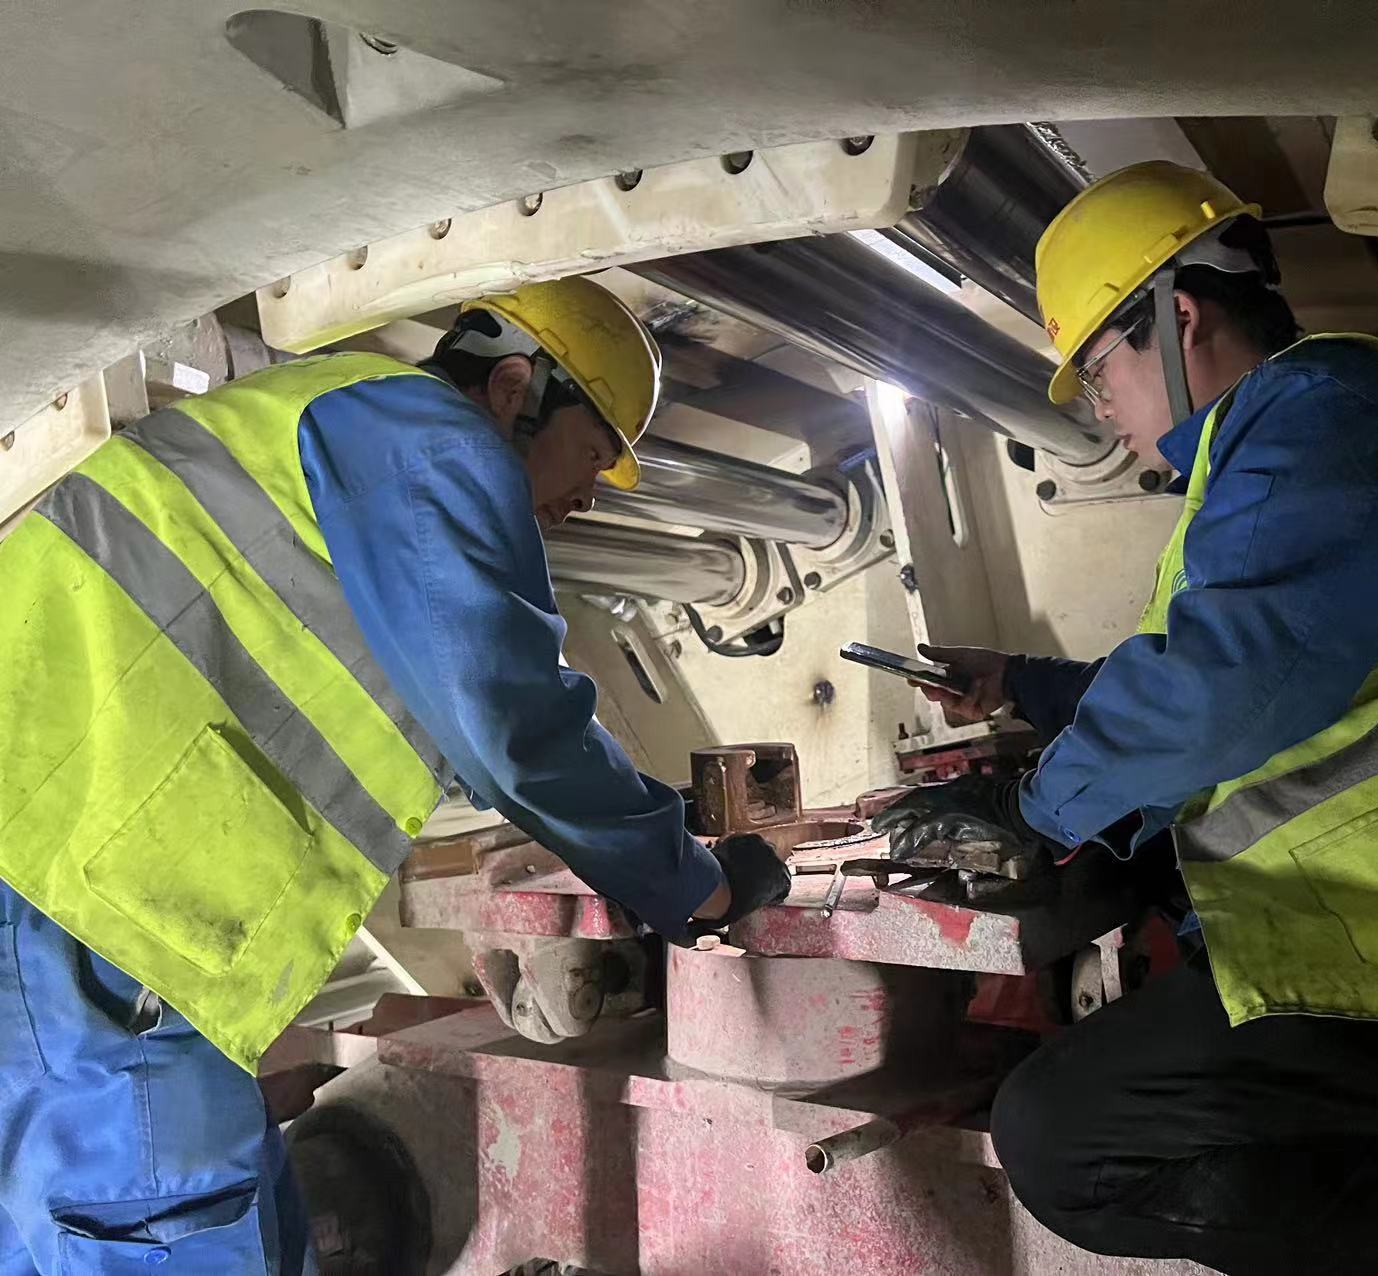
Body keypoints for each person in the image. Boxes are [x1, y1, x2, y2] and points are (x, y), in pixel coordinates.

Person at [874, 162, 1378, 1274]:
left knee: (1066, 1141)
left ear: (1177, 318)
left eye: (1098, 371)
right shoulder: (1265, 462)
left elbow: (1237, 679)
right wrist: (1017, 683)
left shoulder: (1331, 400)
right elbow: (1205, 670)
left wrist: (1034, 809)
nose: (1100, 409)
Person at [0, 278, 790, 1272]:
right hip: (93, 917)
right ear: (515, 386)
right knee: (161, 1225)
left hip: (71, 892)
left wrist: (639, 813)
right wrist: (694, 883)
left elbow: (433, 723)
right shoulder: (430, 434)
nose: (589, 495)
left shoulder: (342, 438)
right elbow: (508, 720)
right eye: (593, 453)